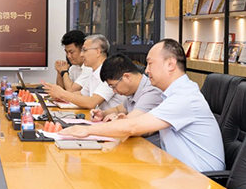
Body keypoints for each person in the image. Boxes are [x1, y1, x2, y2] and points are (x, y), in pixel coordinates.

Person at [61, 39, 225, 172]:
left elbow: (134, 127)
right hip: (177, 171)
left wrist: (87, 130)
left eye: (150, 63)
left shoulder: (185, 97)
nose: (146, 70)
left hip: (198, 180)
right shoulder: (173, 94)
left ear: (170, 64)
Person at [44, 34, 125, 110]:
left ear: (98, 51)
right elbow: (81, 94)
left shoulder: (111, 71)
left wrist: (62, 94)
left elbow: (92, 103)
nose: (81, 55)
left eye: (84, 50)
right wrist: (58, 96)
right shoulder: (94, 72)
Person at [90, 54, 163, 122]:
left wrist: (116, 118)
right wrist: (103, 114)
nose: (114, 91)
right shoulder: (133, 91)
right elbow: (119, 109)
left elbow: (130, 123)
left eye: (114, 86)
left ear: (127, 77)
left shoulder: (151, 91)